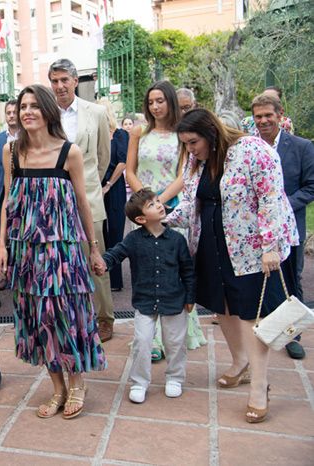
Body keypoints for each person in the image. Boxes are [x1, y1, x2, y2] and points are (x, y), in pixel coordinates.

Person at [167, 108, 298, 423]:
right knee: (221, 306)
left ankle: (259, 385)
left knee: (252, 314)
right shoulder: (196, 161)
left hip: (250, 247)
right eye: (185, 144)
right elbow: (189, 201)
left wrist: (269, 246)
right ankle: (240, 363)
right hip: (211, 243)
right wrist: (164, 220)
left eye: (193, 142)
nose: (190, 149)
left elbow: (271, 198)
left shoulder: (253, 150)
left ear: (211, 133)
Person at [0, 85, 106, 419]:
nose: (26, 112)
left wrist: (94, 249)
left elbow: (82, 204)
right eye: (22, 106)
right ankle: (56, 387)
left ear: (47, 111)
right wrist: (1, 245)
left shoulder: (68, 153)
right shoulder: (10, 152)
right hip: (26, 250)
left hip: (63, 251)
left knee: (66, 315)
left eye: (33, 106)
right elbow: (7, 200)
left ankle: (77, 383)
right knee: (37, 318)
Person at [126, 81, 206, 359]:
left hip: (171, 209)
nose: (155, 106)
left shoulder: (182, 134)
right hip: (144, 208)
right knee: (147, 268)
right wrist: (145, 198)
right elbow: (130, 169)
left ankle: (173, 334)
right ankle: (152, 340)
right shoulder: (139, 132)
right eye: (150, 102)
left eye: (160, 100)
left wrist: (161, 201)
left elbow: (187, 173)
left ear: (170, 101)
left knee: (171, 271)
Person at [99, 189, 195, 403]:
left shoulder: (177, 240)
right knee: (142, 341)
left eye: (157, 201)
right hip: (145, 301)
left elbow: (188, 270)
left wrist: (190, 297)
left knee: (175, 342)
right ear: (141, 219)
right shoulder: (133, 240)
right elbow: (116, 253)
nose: (159, 205)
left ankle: (175, 378)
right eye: (152, 204)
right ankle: (139, 382)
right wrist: (103, 262)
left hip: (174, 300)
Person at [48, 58, 114, 342]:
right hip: (53, 201)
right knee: (62, 261)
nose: (60, 86)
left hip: (88, 196)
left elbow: (103, 158)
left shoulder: (96, 112)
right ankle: (74, 316)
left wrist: (86, 185)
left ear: (75, 81)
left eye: (65, 80)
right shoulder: (45, 112)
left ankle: (105, 317)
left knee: (95, 258)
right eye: (55, 81)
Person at [252, 93, 314, 360]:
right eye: (258, 116)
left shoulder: (301, 147)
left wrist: (279, 206)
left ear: (280, 114)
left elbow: (311, 186)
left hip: (290, 230)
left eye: (268, 115)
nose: (264, 120)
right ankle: (263, 329)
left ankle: (292, 336)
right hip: (257, 231)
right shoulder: (250, 146)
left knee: (291, 280)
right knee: (261, 281)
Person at [98, 98, 129, 292]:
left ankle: (116, 281)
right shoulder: (96, 135)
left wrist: (108, 185)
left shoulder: (121, 135)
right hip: (97, 188)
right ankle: (102, 278)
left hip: (114, 187)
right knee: (99, 233)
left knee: (116, 232)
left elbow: (122, 162)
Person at [0, 100, 19, 244]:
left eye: (14, 112)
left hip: (21, 193)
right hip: (1, 196)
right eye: (8, 113)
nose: (11, 116)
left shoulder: (28, 137)